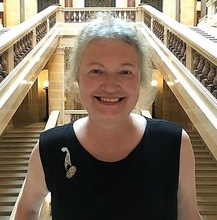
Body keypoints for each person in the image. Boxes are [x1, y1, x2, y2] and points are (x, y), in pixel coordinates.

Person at [15, 13, 202, 220]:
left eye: (125, 72)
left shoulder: (174, 143)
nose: (111, 85)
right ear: (77, 76)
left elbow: (189, 215)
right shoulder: (50, 148)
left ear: (141, 78)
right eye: (96, 71)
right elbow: (27, 210)